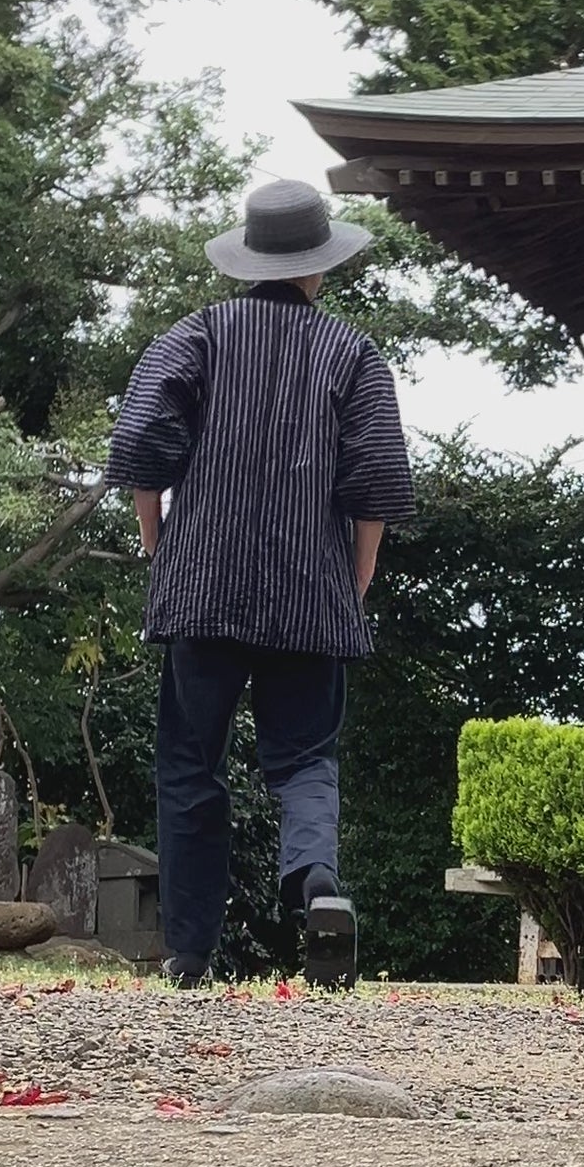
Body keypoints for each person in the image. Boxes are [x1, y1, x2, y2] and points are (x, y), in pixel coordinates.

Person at [105, 173, 413, 987]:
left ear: (247, 260)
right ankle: (316, 884)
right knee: (307, 755)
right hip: (311, 589)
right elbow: (374, 478)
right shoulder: (353, 352)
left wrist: (156, 538)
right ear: (321, 266)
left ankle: (189, 952)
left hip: (201, 582)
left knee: (188, 762)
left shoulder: (196, 336)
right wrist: (359, 572)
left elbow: (141, 445)